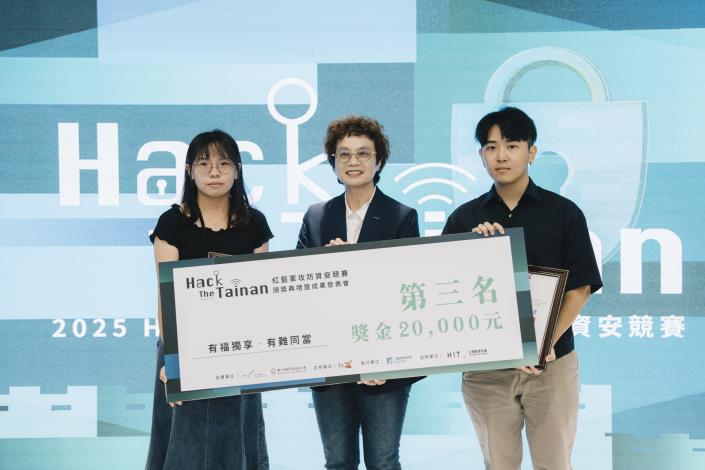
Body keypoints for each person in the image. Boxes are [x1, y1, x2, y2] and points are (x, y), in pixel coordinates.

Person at [442, 107, 602, 470]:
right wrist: (474, 249)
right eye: (491, 147)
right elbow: (446, 291)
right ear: (481, 155)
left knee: (555, 462)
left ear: (531, 152)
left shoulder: (564, 213)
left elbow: (580, 288)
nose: (501, 155)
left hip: (552, 363)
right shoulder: (464, 219)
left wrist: (541, 344)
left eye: (512, 145)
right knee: (498, 463)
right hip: (487, 369)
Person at [296, 116, 421, 470]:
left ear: (379, 161)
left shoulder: (401, 216)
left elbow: (408, 289)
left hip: (384, 358)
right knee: (337, 461)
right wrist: (325, 266)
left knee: (382, 460)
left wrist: (357, 263)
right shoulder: (316, 217)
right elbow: (297, 289)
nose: (353, 162)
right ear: (333, 162)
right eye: (344, 154)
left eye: (364, 153)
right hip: (329, 356)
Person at [145, 130, 272, 470]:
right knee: (184, 443)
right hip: (184, 349)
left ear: (237, 170)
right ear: (189, 171)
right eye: (204, 164)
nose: (214, 172)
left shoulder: (255, 224)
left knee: (238, 441)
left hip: (240, 350)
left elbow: (262, 295)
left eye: (224, 164)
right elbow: (166, 295)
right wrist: (172, 358)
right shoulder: (172, 223)